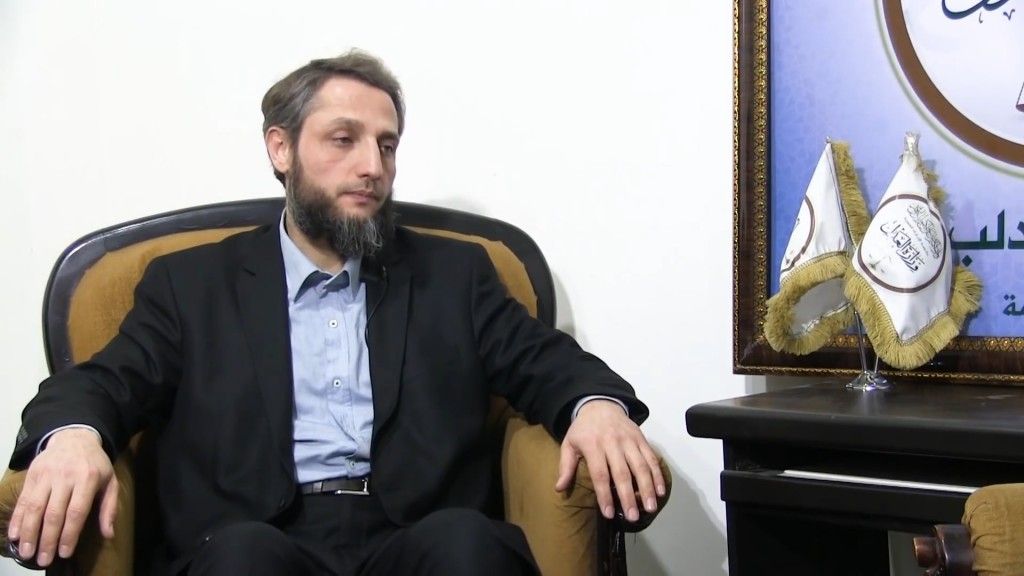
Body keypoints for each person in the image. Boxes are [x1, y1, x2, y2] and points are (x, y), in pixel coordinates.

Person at [6, 49, 664, 576]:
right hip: (255, 537)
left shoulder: (454, 275)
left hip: (414, 535)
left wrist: (595, 407)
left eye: (387, 145)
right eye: (343, 139)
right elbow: (105, 381)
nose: (372, 166)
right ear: (281, 149)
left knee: (469, 545)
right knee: (243, 559)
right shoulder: (191, 284)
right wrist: (74, 435)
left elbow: (544, 361)